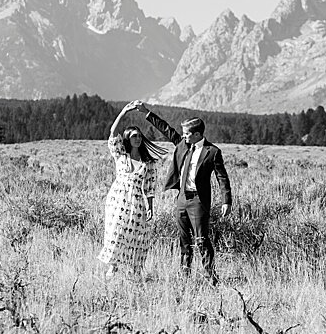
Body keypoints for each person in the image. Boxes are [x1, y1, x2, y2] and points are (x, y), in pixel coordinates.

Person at [134, 102, 233, 285]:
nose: (184, 136)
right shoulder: (182, 144)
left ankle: (211, 278)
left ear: (197, 134)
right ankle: (184, 276)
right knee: (183, 240)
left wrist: (226, 201)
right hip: (181, 199)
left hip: (198, 201)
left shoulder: (212, 152)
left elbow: (222, 177)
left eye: (187, 133)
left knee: (202, 240)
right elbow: (165, 128)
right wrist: (146, 112)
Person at [98, 101, 167, 276]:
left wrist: (151, 206)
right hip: (117, 199)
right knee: (116, 232)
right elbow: (113, 134)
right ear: (128, 138)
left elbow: (150, 187)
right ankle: (113, 268)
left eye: (139, 136)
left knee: (137, 235)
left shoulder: (148, 162)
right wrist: (124, 112)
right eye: (134, 136)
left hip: (137, 201)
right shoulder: (120, 155)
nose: (137, 138)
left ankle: (135, 272)